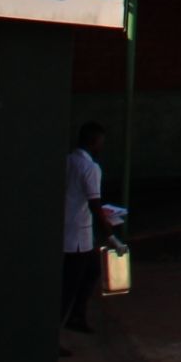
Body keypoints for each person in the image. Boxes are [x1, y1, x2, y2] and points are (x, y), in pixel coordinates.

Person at [61, 122, 111, 337]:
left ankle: (77, 314)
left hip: (72, 229)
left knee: (91, 270)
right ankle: (62, 325)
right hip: (78, 235)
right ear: (94, 142)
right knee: (71, 284)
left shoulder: (68, 161)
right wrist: (109, 231)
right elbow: (94, 202)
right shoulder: (90, 168)